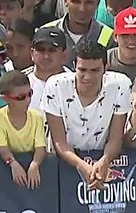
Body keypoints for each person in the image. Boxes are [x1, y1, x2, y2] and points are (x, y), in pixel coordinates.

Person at [42, 41, 129, 183]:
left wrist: (104, 161)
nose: (87, 77)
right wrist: (84, 166)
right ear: (74, 67)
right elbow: (59, 141)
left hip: (103, 158)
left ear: (105, 68)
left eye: (95, 70)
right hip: (62, 164)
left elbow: (115, 138)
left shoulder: (120, 85)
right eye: (82, 70)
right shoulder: (55, 85)